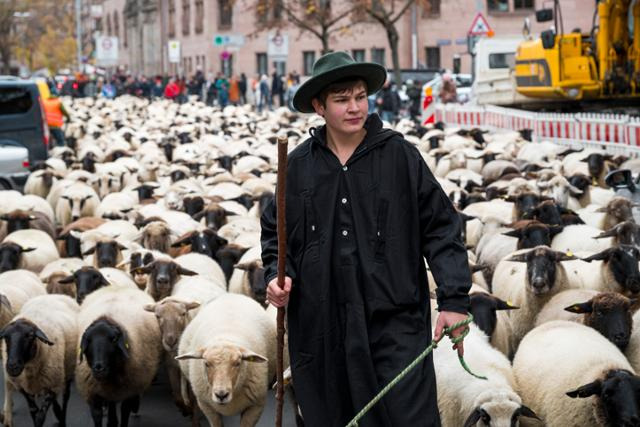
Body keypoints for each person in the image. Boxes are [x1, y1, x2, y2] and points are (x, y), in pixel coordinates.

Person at [261, 51, 471, 426]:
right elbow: (276, 239)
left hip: (394, 322)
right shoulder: (296, 168)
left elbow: (441, 226)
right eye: (342, 100)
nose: (355, 107)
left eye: (360, 96)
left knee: (408, 418)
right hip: (322, 328)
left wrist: (454, 300)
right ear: (319, 106)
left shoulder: (400, 157)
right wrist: (277, 277)